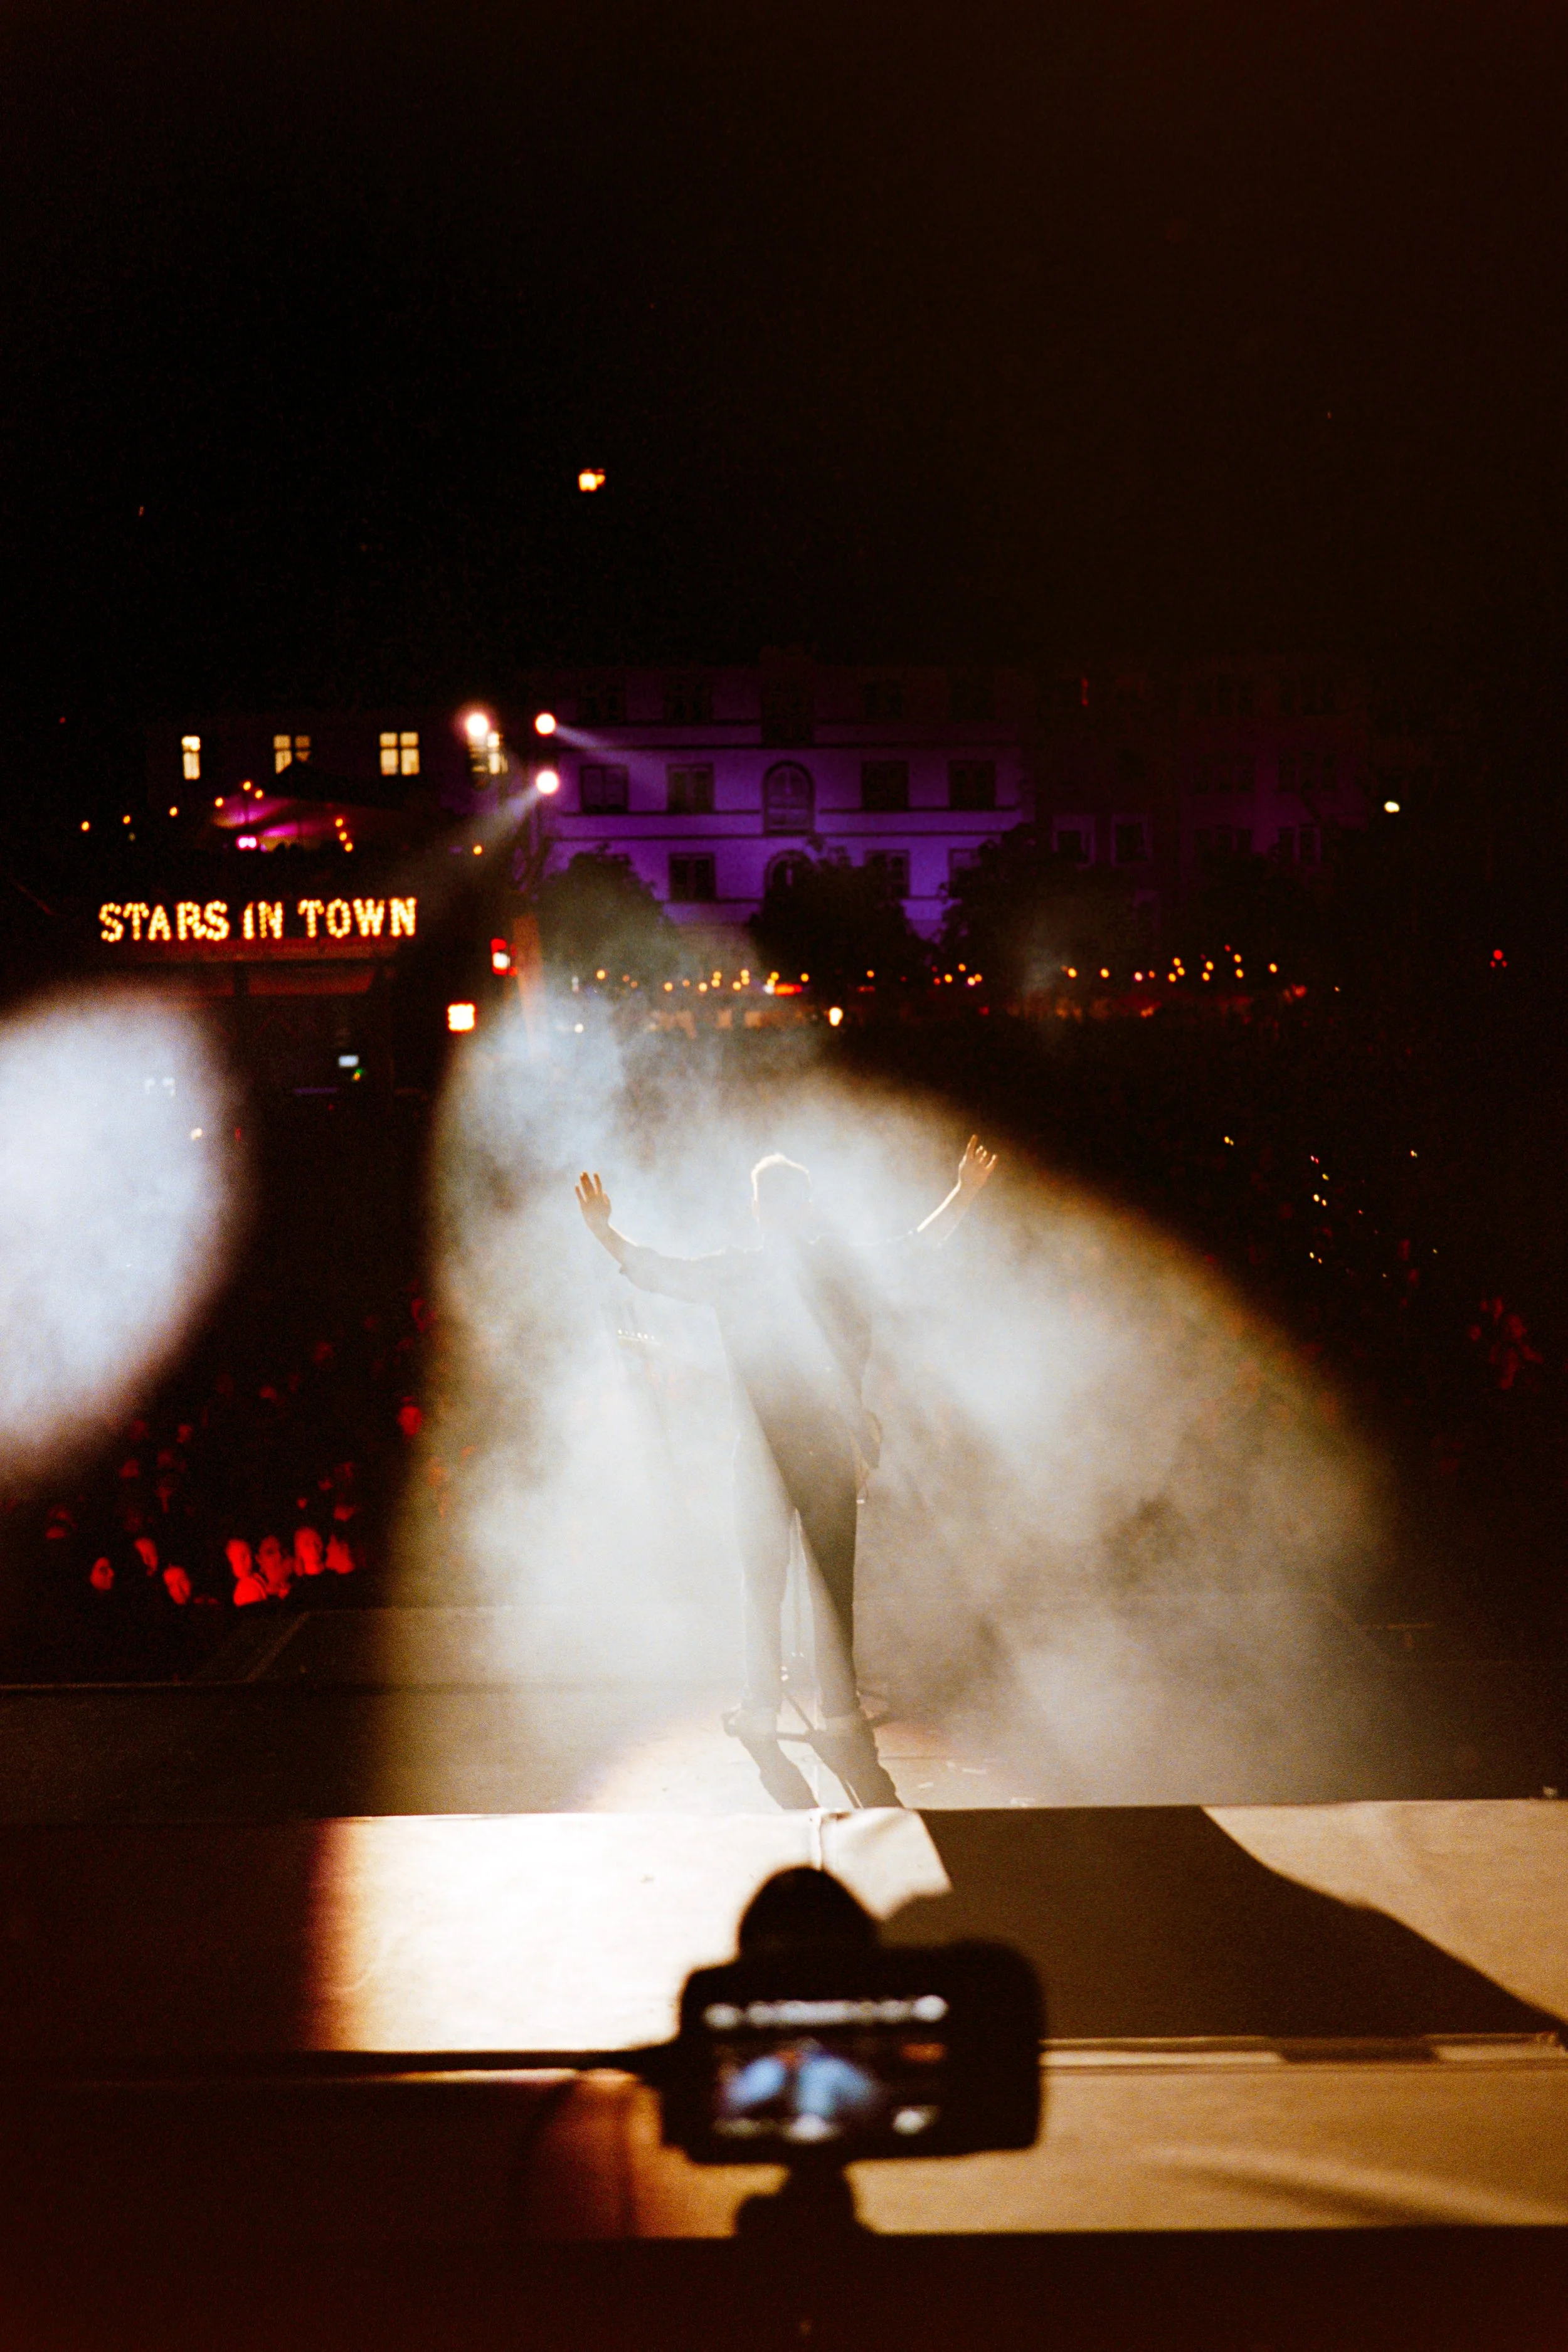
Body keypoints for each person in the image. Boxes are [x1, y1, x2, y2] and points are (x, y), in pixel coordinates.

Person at [575, 1135, 996, 1808]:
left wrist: (604, 1233)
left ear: (762, 1211)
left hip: (762, 1457)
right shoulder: (841, 1270)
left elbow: (660, 1271)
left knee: (761, 1587)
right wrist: (963, 1193)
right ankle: (839, 1715)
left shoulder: (739, 1270)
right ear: (802, 1208)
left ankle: (761, 1709)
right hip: (827, 1453)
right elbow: (915, 1248)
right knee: (832, 1588)